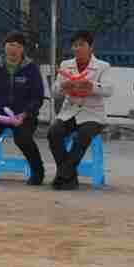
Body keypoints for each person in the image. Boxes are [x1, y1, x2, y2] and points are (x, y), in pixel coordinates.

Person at [45, 29, 111, 190]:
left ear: (91, 47)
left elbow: (109, 89)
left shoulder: (103, 66)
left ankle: (63, 175)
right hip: (69, 112)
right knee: (53, 132)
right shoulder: (65, 65)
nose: (77, 48)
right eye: (74, 45)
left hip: (93, 114)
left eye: (81, 45)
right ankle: (69, 176)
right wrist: (63, 86)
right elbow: (54, 91)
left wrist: (91, 86)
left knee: (83, 135)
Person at [0, 31, 45, 184]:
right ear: (4, 47)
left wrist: (25, 114)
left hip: (23, 117)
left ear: (23, 49)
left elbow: (37, 98)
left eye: (18, 46)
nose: (14, 49)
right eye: (11, 45)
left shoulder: (31, 68)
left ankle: (38, 172)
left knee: (22, 137)